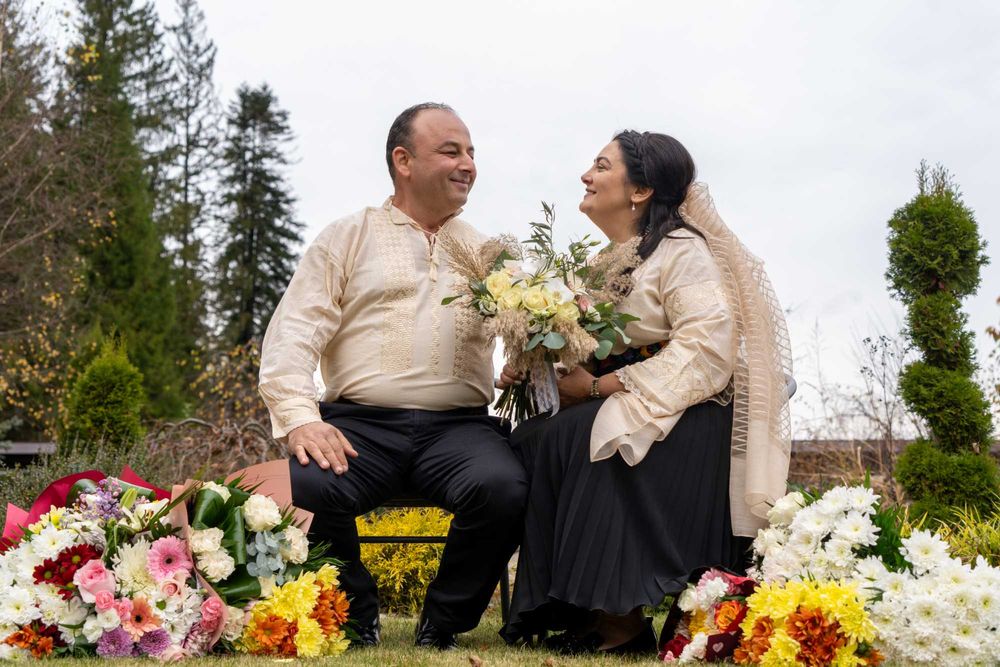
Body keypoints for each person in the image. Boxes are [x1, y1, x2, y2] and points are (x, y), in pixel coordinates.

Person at [499, 131, 792, 654]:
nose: (586, 177)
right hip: (637, 401)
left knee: (582, 431)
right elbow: (587, 345)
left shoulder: (683, 251)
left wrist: (597, 386)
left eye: (600, 165)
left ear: (639, 191)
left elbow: (707, 350)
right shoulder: (604, 263)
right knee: (533, 437)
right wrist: (536, 366)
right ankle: (571, 606)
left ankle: (622, 622)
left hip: (693, 413)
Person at [258, 103, 528, 650]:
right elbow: (292, 335)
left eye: (472, 152)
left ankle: (443, 622)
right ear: (403, 160)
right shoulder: (348, 236)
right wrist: (300, 420)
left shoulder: (489, 253)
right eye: (451, 151)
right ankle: (356, 614)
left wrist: (531, 353)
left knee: (504, 488)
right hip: (360, 428)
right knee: (308, 485)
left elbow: (534, 323)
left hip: (460, 431)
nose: (468, 163)